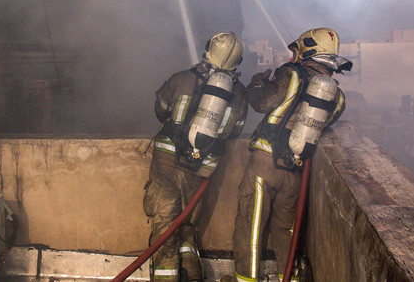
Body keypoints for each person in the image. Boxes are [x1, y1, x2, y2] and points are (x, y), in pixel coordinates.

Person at [228, 28, 352, 282]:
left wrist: (257, 84)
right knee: (286, 229)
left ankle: (246, 280)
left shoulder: (290, 73)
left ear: (306, 49)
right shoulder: (337, 97)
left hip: (265, 162)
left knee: (250, 226)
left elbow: (262, 103)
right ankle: (291, 277)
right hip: (295, 170)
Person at [143, 31, 249, 282]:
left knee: (165, 225)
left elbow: (161, 110)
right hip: (203, 166)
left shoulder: (181, 78)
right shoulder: (240, 92)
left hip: (168, 161)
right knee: (187, 225)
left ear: (208, 50)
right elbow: (236, 130)